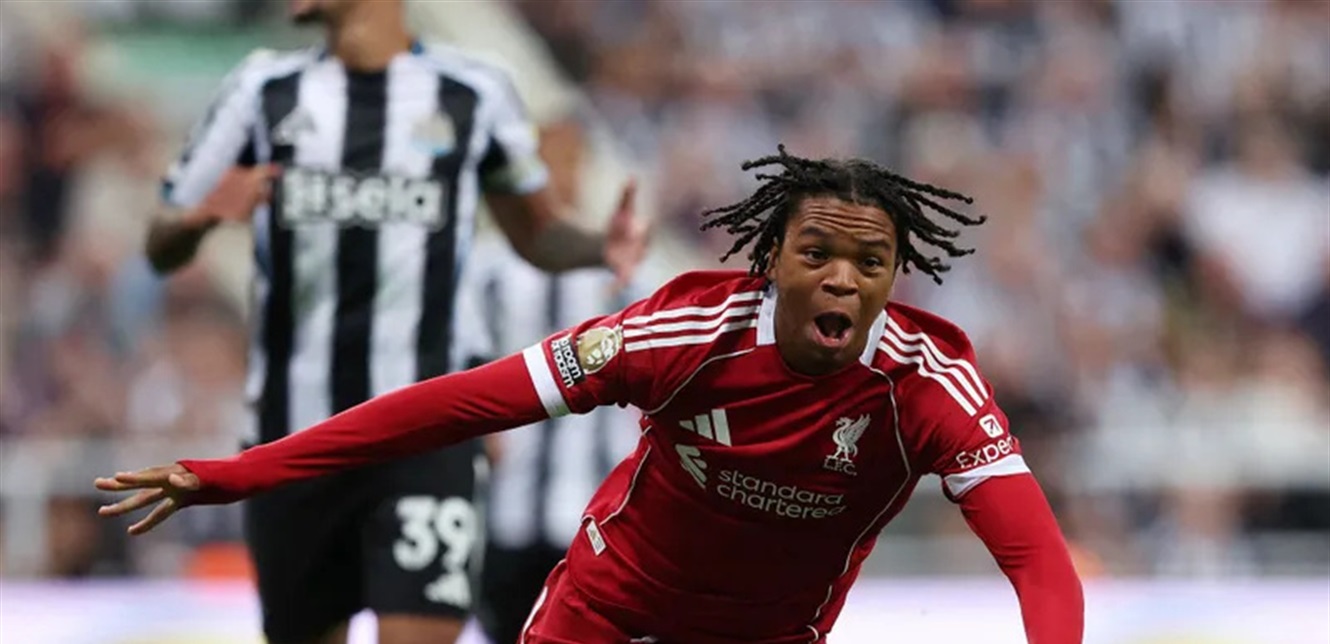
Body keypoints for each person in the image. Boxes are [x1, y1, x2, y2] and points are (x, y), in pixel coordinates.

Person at [100, 146, 1084, 643]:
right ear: (771, 259)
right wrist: (240, 474)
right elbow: (453, 405)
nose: (841, 279)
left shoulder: (927, 385)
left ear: (894, 275)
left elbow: (1037, 558)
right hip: (609, 610)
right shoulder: (678, 337)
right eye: (815, 251)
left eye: (870, 262)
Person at [139, 0, 647, 642]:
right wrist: (203, 215)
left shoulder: (473, 91)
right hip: (293, 435)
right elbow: (160, 243)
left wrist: (602, 247)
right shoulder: (260, 90)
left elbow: (536, 233)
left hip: (427, 433)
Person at [458, 235, 645, 644]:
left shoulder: (625, 275)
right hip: (507, 505)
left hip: (592, 514)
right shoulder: (489, 270)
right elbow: (464, 359)